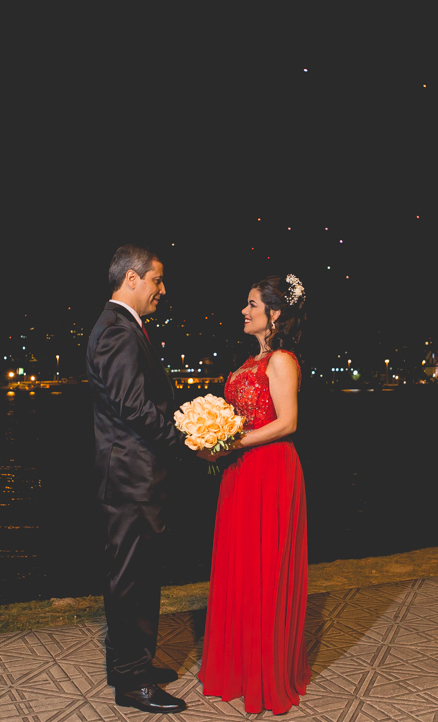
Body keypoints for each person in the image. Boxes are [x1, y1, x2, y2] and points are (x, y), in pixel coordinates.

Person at [197, 273, 311, 715]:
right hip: (240, 472)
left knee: (265, 568)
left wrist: (232, 442)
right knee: (240, 565)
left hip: (270, 470)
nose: (244, 311)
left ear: (274, 313)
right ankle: (241, 666)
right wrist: (211, 439)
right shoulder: (249, 361)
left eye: (252, 304)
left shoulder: (281, 359)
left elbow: (288, 422)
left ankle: (266, 672)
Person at [86, 244, 188, 714]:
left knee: (138, 576)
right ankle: (132, 682)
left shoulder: (123, 327)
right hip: (130, 478)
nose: (162, 289)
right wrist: (182, 438)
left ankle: (133, 664)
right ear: (132, 278)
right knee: (132, 580)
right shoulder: (116, 330)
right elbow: (132, 406)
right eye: (157, 279)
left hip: (132, 476)